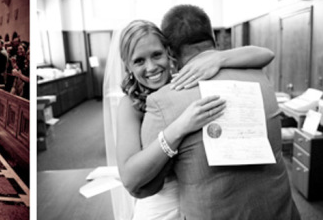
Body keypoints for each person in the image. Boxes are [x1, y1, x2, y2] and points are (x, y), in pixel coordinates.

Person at [137, 5, 299, 219]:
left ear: (170, 53)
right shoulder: (260, 78)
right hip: (280, 211)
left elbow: (146, 184)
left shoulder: (162, 100)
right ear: (213, 38)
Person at [107, 20, 278, 219]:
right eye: (139, 61)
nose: (151, 67)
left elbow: (266, 54)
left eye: (156, 55)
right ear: (127, 66)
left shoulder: (185, 79)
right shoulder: (130, 105)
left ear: (168, 52)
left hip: (201, 202)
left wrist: (218, 59)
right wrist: (179, 128)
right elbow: (129, 177)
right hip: (163, 207)